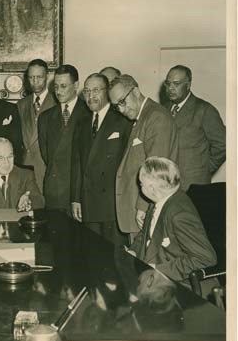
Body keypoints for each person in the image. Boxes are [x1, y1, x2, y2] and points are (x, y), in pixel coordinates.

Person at [109, 74, 178, 238]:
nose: (121, 109)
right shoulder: (143, 116)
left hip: (147, 207)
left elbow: (157, 170)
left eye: (122, 101)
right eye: (116, 106)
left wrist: (143, 206)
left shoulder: (156, 117)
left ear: (135, 90)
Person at [127, 157, 216, 282]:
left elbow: (205, 258)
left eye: (141, 184)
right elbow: (146, 234)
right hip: (152, 269)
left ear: (152, 189)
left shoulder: (179, 215)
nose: (140, 187)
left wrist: (157, 269)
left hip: (177, 282)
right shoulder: (158, 201)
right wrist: (134, 251)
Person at [71, 73, 131, 246]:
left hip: (113, 204)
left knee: (115, 258)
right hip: (88, 202)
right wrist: (76, 198)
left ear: (107, 92)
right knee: (92, 256)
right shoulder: (82, 123)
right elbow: (77, 164)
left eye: (96, 90)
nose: (91, 96)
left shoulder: (122, 120)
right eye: (87, 91)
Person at [163, 65, 226, 191]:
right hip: (167, 183)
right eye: (168, 83)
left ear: (188, 85)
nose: (170, 88)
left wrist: (205, 169)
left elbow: (223, 144)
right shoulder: (163, 109)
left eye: (176, 84)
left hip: (193, 184)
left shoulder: (204, 110)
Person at [38, 64, 89, 212]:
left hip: (80, 192)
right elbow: (47, 155)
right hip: (55, 190)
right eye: (56, 86)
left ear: (76, 85)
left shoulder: (88, 113)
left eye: (63, 86)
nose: (58, 91)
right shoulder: (45, 117)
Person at [17, 59, 56, 192]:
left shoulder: (57, 103)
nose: (35, 81)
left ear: (47, 77)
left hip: (47, 168)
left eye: (39, 77)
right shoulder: (21, 104)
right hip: (25, 168)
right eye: (31, 77)